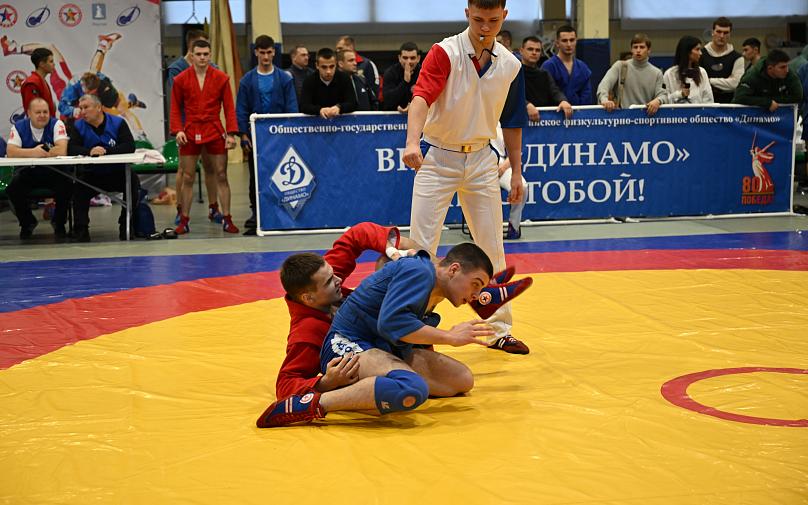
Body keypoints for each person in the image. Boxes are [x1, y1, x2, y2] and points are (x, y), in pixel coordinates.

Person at [258, 242, 523, 428]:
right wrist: (449, 337)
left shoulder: (433, 280)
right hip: (348, 343)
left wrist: (473, 294)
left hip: (384, 346)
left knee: (462, 379)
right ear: (453, 269)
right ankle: (311, 404)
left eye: (479, 290)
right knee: (411, 389)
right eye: (475, 285)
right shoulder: (419, 271)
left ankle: (365, 389)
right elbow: (392, 324)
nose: (338, 280)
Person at [402, 0, 530, 355]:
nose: (485, 27)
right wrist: (412, 141)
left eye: (493, 20)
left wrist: (517, 172)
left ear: (504, 16)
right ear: (466, 14)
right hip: (438, 157)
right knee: (421, 247)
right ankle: (411, 329)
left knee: (491, 246)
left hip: (482, 160)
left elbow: (513, 122)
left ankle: (498, 329)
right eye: (478, 19)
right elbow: (420, 98)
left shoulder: (511, 64)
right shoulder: (445, 52)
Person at [170, 39, 240, 235]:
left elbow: (229, 108)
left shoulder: (221, 78)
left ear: (210, 55)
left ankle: (227, 218)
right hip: (190, 130)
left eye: (205, 54)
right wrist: (178, 130)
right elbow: (175, 108)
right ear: (191, 56)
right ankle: (184, 220)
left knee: (221, 174)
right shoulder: (181, 79)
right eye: (198, 54)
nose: (202, 58)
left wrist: (231, 133)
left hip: (214, 129)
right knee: (188, 176)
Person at [236, 35, 298, 235]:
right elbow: (241, 109)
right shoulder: (247, 80)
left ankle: (281, 212)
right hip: (256, 137)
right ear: (256, 52)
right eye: (262, 52)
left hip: (279, 137)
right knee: (255, 177)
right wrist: (243, 135)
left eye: (269, 52)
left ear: (274, 52)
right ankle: (256, 213)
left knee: (281, 175)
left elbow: (292, 108)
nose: (265, 56)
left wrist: (289, 133)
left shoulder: (285, 79)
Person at [165, 29, 222, 225]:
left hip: (208, 127)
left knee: (210, 167)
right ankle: (181, 209)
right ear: (191, 47)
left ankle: (214, 208)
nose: (203, 54)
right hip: (186, 127)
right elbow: (175, 102)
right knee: (184, 171)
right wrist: (179, 129)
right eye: (199, 49)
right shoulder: (176, 69)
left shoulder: (213, 67)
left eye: (206, 49)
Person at [68, 94, 140, 242]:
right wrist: (90, 151)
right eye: (81, 108)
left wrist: (106, 151)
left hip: (117, 173)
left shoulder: (118, 123)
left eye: (86, 107)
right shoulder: (78, 126)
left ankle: (126, 225)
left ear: (99, 107)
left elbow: (129, 146)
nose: (82, 112)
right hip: (91, 175)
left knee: (133, 183)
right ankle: (81, 230)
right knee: (78, 189)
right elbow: (71, 149)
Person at [5, 98, 70, 239]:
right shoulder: (18, 127)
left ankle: (59, 223)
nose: (42, 115)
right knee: (12, 188)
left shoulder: (57, 124)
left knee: (67, 184)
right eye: (38, 112)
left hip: (54, 172)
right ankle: (27, 222)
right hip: (28, 173)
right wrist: (34, 152)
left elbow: (62, 150)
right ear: (29, 113)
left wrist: (24, 152)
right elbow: (11, 151)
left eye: (45, 112)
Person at [597, 33, 666, 116]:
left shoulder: (657, 73)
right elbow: (604, 85)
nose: (638, 50)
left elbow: (663, 95)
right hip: (623, 118)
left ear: (649, 50)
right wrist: (604, 100)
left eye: (642, 47)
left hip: (646, 117)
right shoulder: (620, 66)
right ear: (631, 50)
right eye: (635, 47)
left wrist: (658, 101)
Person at [732, 49, 803, 112]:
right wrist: (767, 102)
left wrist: (771, 101)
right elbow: (740, 97)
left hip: (776, 114)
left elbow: (798, 96)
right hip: (749, 115)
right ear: (770, 68)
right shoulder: (752, 75)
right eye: (782, 67)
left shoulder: (789, 74)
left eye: (787, 66)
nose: (786, 70)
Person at [521, 36, 572, 121]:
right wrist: (526, 105)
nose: (534, 53)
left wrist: (563, 101)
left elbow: (554, 91)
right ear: (521, 51)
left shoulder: (544, 74)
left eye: (537, 50)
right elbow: (510, 95)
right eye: (530, 49)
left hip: (544, 121)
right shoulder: (514, 72)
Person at [541, 25, 593, 106]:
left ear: (576, 41)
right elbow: (545, 93)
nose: (569, 44)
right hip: (554, 111)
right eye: (564, 41)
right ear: (557, 43)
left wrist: (581, 111)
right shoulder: (549, 66)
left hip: (579, 112)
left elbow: (587, 95)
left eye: (572, 40)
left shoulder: (583, 67)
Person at [299, 48, 358, 118]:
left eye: (332, 66)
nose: (328, 71)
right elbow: (304, 106)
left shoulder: (344, 78)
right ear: (317, 65)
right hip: (317, 123)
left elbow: (353, 103)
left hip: (341, 122)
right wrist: (319, 110)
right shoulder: (309, 80)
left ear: (336, 64)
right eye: (324, 67)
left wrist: (339, 107)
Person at [699, 17, 744, 104]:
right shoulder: (700, 55)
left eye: (726, 33)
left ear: (730, 34)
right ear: (712, 32)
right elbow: (697, 83)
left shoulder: (738, 58)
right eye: (719, 32)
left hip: (729, 105)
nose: (722, 36)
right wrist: (726, 82)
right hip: (705, 105)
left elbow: (736, 83)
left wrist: (709, 81)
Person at [663, 36, 714, 104]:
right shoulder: (669, 74)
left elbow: (708, 99)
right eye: (697, 49)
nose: (700, 53)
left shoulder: (702, 72)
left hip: (698, 111)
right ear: (687, 51)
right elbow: (664, 99)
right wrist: (680, 94)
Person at [382, 42, 421, 112]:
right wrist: (405, 82)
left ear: (418, 58)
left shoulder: (424, 73)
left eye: (412, 58)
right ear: (399, 58)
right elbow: (388, 101)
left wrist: (413, 107)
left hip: (419, 113)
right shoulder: (390, 73)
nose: (409, 61)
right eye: (405, 58)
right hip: (394, 115)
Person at [20, 48, 56, 117]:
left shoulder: (41, 80)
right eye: (51, 61)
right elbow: (34, 113)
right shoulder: (32, 83)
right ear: (42, 64)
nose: (54, 64)